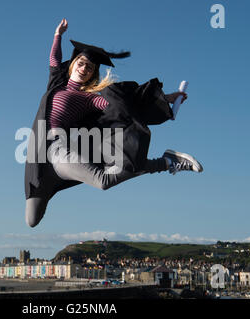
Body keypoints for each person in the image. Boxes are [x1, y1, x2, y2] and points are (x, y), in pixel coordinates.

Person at [24, 19, 203, 227]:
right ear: (73, 65)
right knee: (31, 220)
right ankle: (167, 161)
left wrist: (166, 99)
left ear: (92, 74)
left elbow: (124, 106)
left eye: (89, 68)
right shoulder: (56, 85)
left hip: (58, 149)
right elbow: (54, 61)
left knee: (103, 180)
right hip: (39, 158)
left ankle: (166, 162)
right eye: (81, 63)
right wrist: (58, 35)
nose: (84, 68)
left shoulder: (90, 98)